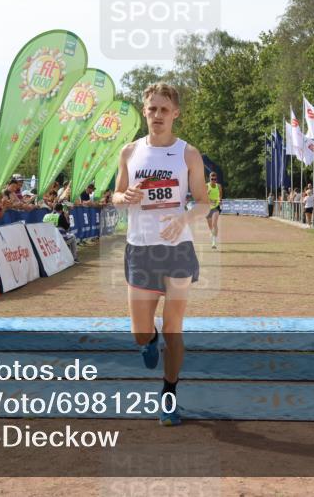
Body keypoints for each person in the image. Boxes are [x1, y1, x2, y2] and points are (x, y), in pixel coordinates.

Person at [112, 83, 209, 427]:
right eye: (152, 109)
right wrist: (125, 199)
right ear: (144, 111)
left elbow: (205, 202)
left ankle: (169, 394)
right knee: (140, 332)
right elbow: (116, 194)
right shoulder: (129, 152)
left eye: (164, 110)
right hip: (140, 250)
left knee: (173, 327)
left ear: (175, 114)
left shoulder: (188, 154)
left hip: (177, 249)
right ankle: (147, 341)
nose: (157, 115)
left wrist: (184, 217)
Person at [205, 171, 223, 249]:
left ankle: (214, 242)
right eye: (212, 179)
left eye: (215, 179)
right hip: (208, 208)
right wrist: (207, 194)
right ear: (209, 179)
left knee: (214, 223)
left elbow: (221, 194)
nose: (213, 180)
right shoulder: (206, 186)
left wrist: (220, 201)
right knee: (210, 226)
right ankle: (212, 234)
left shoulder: (218, 186)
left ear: (216, 179)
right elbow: (203, 197)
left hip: (216, 207)